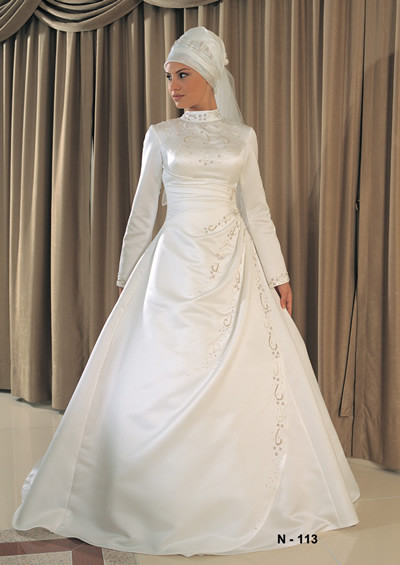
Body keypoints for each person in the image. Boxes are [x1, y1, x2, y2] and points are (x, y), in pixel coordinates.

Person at [13, 27, 359, 556]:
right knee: (162, 370)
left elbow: (257, 210)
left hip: (235, 267)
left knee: (247, 373)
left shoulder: (243, 137)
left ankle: (243, 492)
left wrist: (279, 275)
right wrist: (126, 280)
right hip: (172, 265)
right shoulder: (161, 135)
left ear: (210, 76)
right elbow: (142, 213)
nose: (173, 85)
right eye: (169, 76)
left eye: (182, 74)